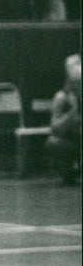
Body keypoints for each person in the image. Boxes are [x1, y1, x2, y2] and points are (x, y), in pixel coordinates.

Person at [45, 53, 81, 185]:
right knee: (53, 142)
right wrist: (72, 113)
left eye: (79, 83)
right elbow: (55, 128)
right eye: (73, 83)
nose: (77, 87)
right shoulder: (61, 98)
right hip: (71, 140)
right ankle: (69, 174)